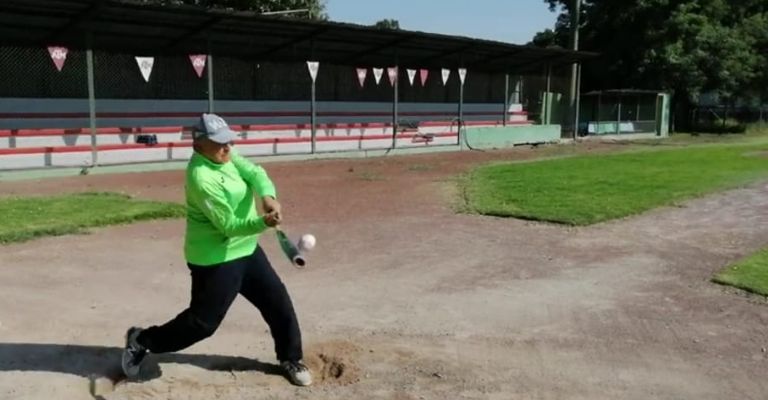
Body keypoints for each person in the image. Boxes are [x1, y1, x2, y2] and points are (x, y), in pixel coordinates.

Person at [121, 113, 312, 386]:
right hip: (215, 259)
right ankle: (141, 340)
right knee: (202, 324)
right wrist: (263, 222)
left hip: (247, 251)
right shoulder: (200, 176)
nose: (227, 147)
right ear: (198, 145)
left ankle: (291, 357)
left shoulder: (226, 156)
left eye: (229, 141)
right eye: (220, 143)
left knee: (278, 302)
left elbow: (255, 173)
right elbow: (229, 226)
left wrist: (268, 197)